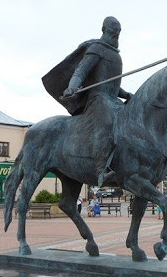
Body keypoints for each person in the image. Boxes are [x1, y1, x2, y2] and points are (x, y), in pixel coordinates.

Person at [42, 16, 132, 187]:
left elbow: (111, 84)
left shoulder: (116, 56)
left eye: (118, 34)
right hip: (98, 99)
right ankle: (101, 171)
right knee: (107, 123)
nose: (116, 37)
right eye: (114, 33)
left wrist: (126, 94)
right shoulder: (96, 48)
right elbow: (81, 72)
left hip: (112, 99)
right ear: (104, 30)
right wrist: (72, 86)